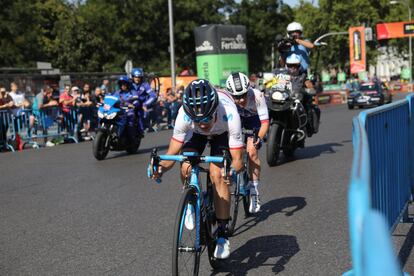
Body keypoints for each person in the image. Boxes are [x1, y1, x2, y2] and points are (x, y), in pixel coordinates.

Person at [150, 79, 244, 259]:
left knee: (218, 173)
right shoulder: (183, 115)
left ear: (214, 109)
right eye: (197, 119)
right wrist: (160, 167)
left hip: (222, 134)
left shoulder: (230, 113)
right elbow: (172, 154)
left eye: (206, 118)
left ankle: (223, 234)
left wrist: (231, 171)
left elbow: (238, 160)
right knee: (185, 163)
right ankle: (191, 203)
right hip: (197, 137)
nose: (202, 123)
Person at [225, 72, 269, 213]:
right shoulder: (227, 99)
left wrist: (258, 138)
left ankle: (254, 189)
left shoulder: (257, 96)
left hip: (254, 122)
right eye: (237, 97)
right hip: (236, 121)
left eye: (244, 95)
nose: (241, 100)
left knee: (252, 151)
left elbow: (265, 123)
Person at [130, 68, 157, 135]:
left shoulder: (145, 85)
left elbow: (153, 96)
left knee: (144, 115)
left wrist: (145, 104)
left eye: (139, 77)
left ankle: (142, 129)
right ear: (132, 77)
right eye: (135, 77)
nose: (137, 79)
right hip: (128, 105)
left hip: (140, 106)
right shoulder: (128, 84)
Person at [112, 76, 140, 140]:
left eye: (124, 84)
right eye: (121, 84)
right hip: (117, 110)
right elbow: (111, 99)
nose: (123, 85)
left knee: (130, 116)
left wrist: (133, 104)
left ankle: (131, 137)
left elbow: (137, 101)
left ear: (128, 84)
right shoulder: (117, 93)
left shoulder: (132, 92)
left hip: (127, 110)